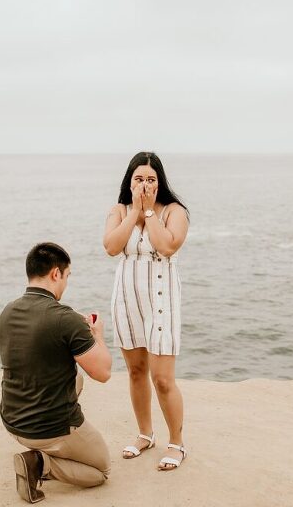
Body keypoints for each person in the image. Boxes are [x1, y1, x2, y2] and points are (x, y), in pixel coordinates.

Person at [0, 242, 112, 503]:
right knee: (100, 470)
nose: (66, 283)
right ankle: (40, 463)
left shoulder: (7, 312)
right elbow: (103, 372)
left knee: (74, 376)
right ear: (56, 274)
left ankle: (42, 450)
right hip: (48, 428)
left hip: (13, 420)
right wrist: (98, 336)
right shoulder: (65, 318)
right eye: (67, 276)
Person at [103, 151, 190, 471]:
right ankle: (145, 434)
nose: (144, 184)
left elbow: (167, 247)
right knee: (137, 372)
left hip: (162, 300)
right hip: (126, 300)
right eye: (138, 179)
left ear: (160, 182)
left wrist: (150, 213)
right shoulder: (118, 210)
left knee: (163, 379)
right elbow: (112, 247)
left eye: (151, 179)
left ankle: (177, 443)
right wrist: (133, 214)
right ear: (129, 182)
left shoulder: (174, 211)